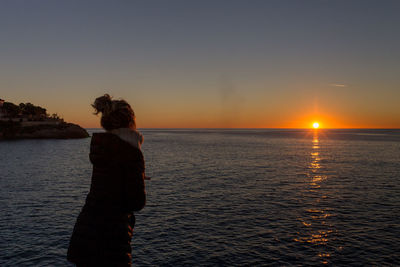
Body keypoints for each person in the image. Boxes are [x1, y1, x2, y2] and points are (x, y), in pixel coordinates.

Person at [67, 94, 146, 267]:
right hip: (111, 240)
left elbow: (107, 186)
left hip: (85, 234)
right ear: (130, 121)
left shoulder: (103, 146)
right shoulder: (131, 151)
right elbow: (137, 201)